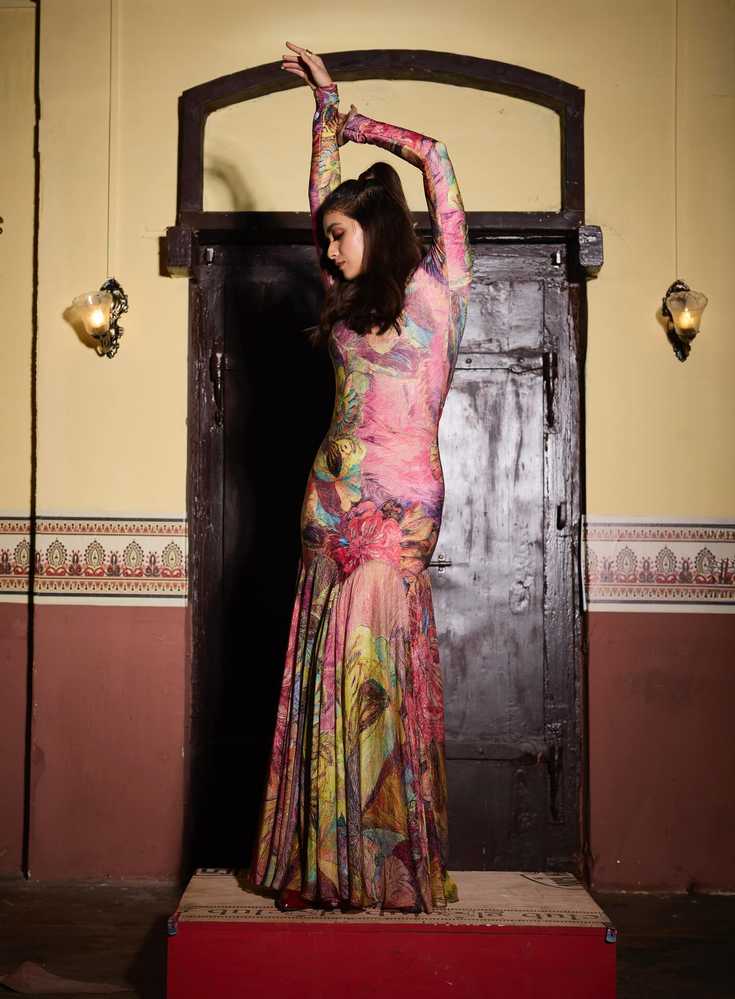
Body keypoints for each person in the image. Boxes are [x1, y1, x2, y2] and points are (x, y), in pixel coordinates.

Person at [249, 40, 473, 914]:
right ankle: (326, 864)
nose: (329, 247)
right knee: (327, 675)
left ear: (374, 229)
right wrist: (323, 111)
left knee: (370, 675)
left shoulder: (440, 292)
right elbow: (323, 199)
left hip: (400, 513)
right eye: (327, 239)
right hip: (327, 507)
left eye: (340, 235)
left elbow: (437, 158)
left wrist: (358, 123)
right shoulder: (342, 304)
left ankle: (382, 867)